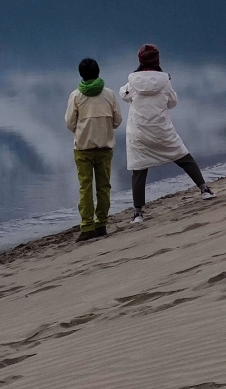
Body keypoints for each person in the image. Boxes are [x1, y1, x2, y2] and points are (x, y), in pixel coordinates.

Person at [120, 43, 214, 224]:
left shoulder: (132, 82)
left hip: (138, 131)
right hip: (162, 129)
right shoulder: (165, 81)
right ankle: (204, 190)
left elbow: (124, 95)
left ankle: (138, 213)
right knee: (183, 157)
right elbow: (173, 102)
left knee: (139, 170)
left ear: (140, 60)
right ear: (157, 60)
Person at [65, 56, 122, 241]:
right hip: (105, 147)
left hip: (83, 148)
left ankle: (87, 226)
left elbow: (69, 123)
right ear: (98, 72)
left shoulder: (76, 96)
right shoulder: (109, 94)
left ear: (81, 75)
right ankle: (102, 224)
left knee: (85, 187)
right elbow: (117, 120)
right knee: (104, 187)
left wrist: (81, 131)